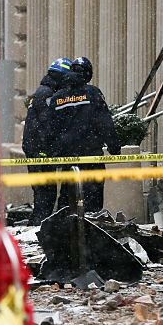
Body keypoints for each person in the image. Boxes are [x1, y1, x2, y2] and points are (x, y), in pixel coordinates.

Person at [48, 56, 120, 213]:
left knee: (67, 197)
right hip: (90, 155)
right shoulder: (93, 94)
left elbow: (51, 128)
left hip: (68, 157)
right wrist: (114, 146)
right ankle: (90, 230)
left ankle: (65, 230)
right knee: (93, 199)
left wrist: (54, 152)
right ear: (87, 74)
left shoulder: (57, 97)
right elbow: (105, 123)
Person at [22, 57, 71, 224]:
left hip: (36, 149)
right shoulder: (47, 94)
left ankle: (38, 226)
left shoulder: (42, 91)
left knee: (43, 194)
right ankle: (37, 229)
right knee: (45, 195)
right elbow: (49, 123)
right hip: (40, 151)